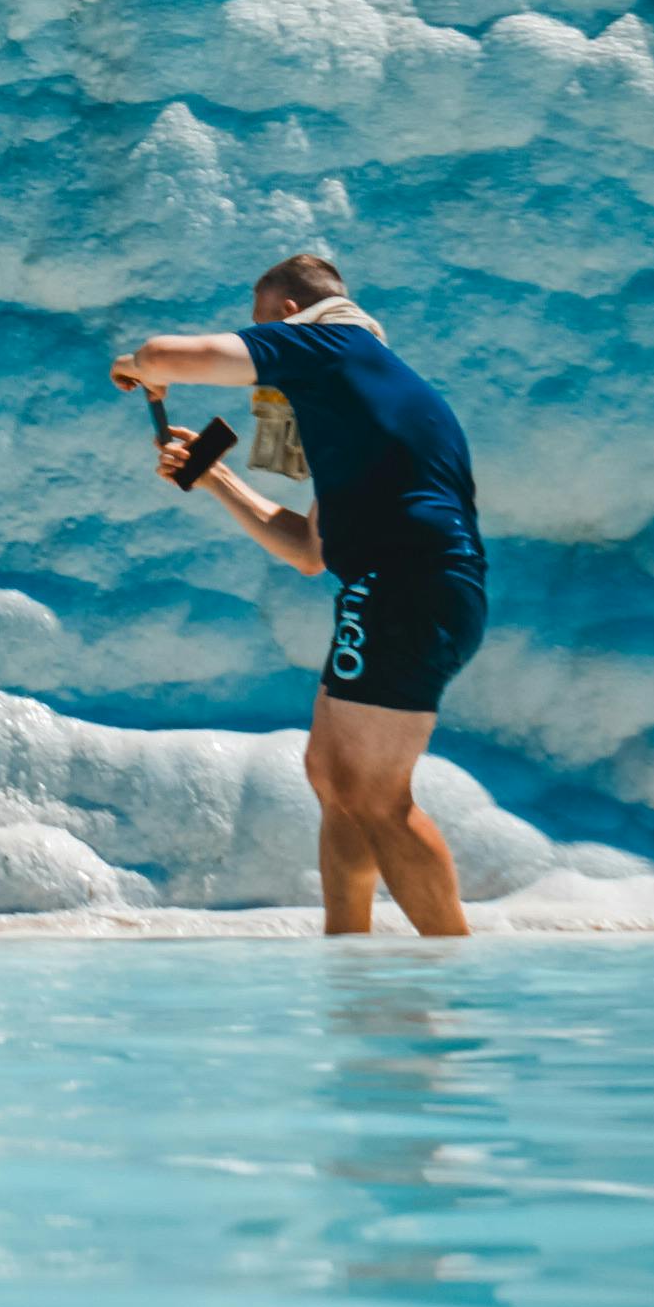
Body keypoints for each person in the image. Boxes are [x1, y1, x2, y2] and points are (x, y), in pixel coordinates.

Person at [110, 256, 488, 939]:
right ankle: (347, 959)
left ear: (286, 314)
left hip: (403, 585)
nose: (265, 358)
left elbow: (166, 353)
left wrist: (142, 366)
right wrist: (215, 478)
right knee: (333, 780)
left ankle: (450, 978)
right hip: (404, 587)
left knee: (375, 797)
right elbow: (311, 552)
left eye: (262, 329)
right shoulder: (360, 404)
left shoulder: (329, 342)